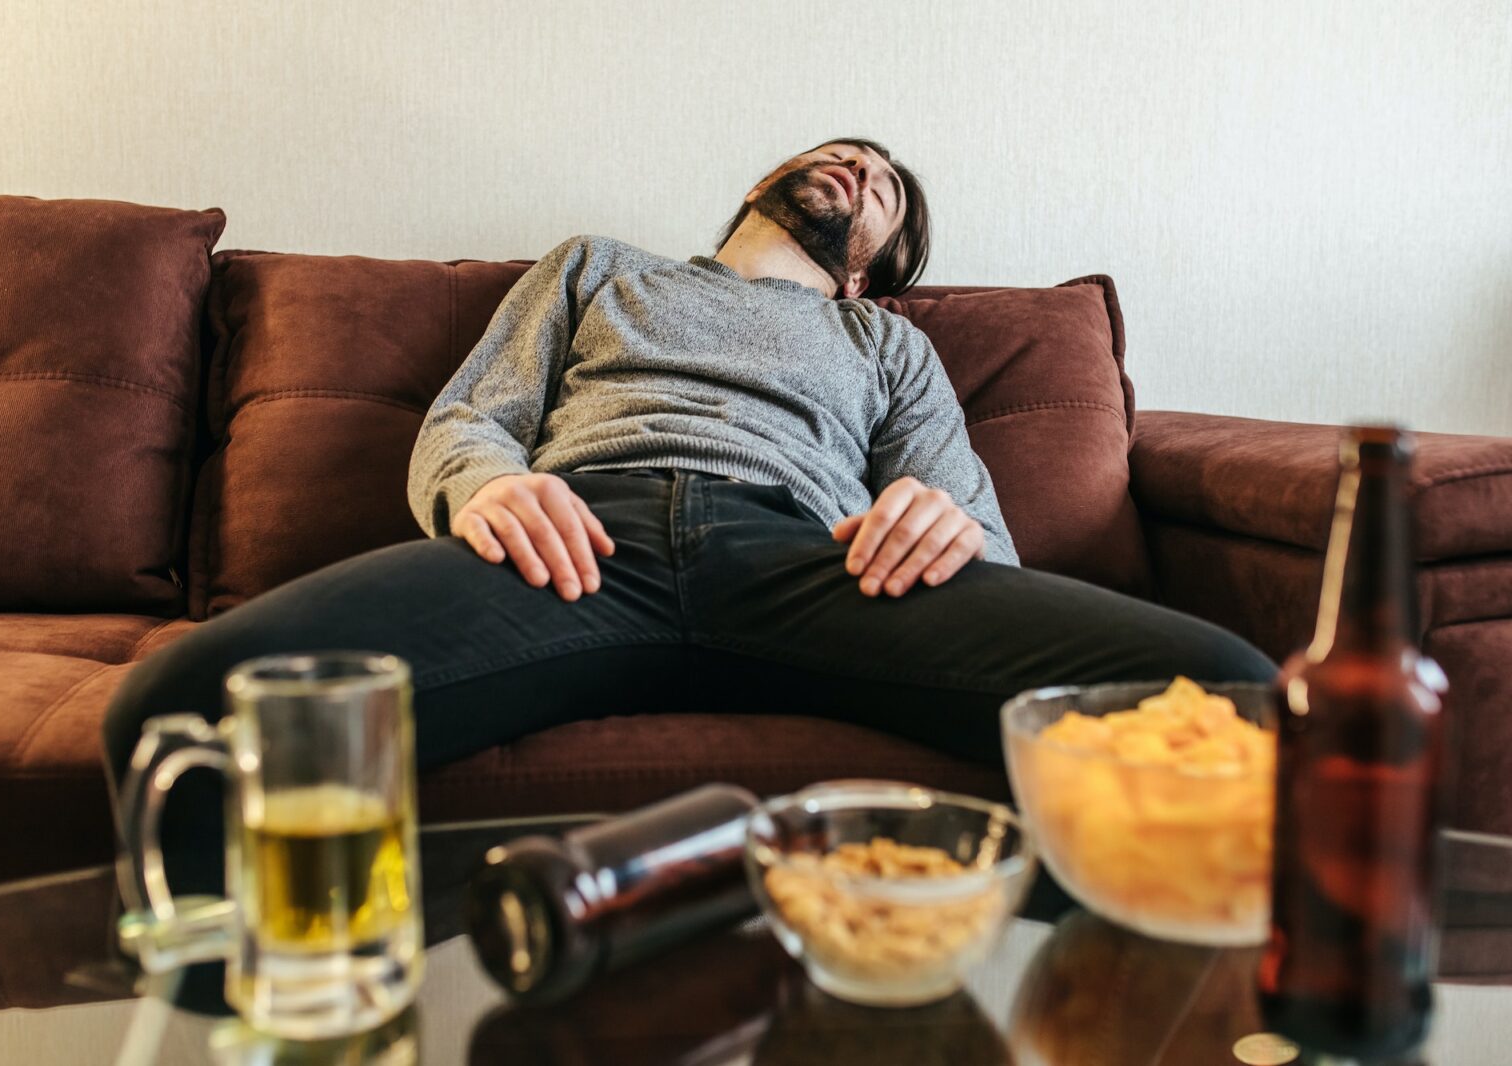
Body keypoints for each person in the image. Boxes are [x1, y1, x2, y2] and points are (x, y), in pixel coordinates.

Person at [101, 137, 1276, 893]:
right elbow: (469, 420)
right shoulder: (597, 268)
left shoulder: (883, 340)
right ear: (761, 179)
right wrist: (492, 486)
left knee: (1232, 691)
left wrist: (938, 513)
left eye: (884, 186)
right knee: (178, 712)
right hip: (573, 549)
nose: (860, 170)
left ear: (871, 267)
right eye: (843, 154)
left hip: (812, 565)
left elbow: (967, 515)